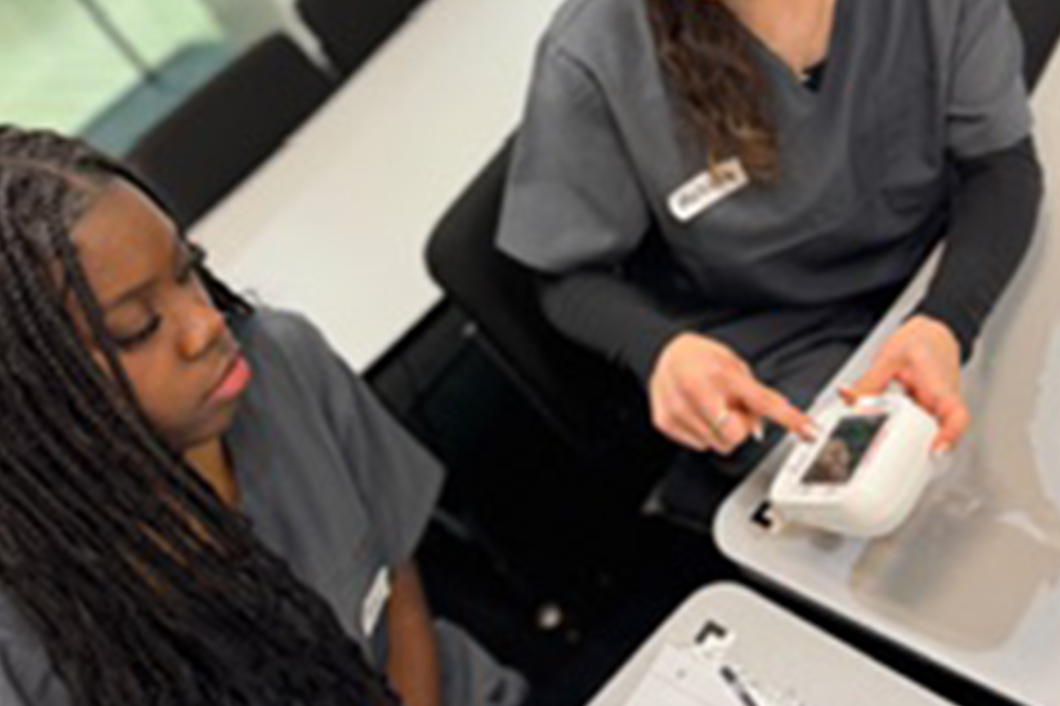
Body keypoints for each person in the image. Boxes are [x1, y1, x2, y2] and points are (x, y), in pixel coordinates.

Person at [0, 126, 524, 706]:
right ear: (31, 397)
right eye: (138, 328)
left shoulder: (279, 362)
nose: (205, 325)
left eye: (188, 269)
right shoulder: (23, 626)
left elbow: (397, 591)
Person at [496, 0, 1044, 523]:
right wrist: (660, 350)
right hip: (778, 356)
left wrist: (945, 319)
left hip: (946, 267)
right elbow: (567, 274)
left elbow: (1000, 165)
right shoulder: (597, 54)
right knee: (889, 525)